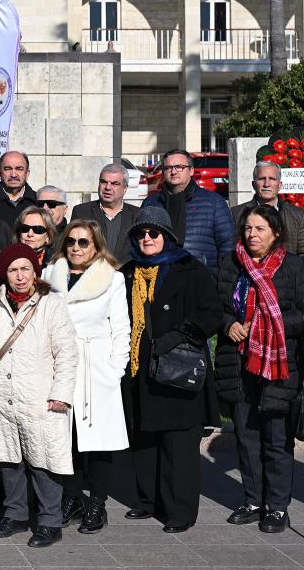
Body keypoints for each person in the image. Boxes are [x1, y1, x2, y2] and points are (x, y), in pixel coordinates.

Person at [215, 204, 304, 534]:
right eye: (247, 228)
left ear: (276, 233)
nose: (252, 235)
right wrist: (228, 322)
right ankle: (253, 500)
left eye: (260, 229)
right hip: (240, 362)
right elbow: (216, 306)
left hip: (279, 365)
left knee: (276, 439)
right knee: (246, 437)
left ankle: (277, 507)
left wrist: (268, 323)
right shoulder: (232, 264)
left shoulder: (293, 268)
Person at [0, 243, 77, 549]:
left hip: (40, 397)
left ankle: (50, 521)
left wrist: (61, 393)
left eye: (25, 268)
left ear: (34, 271)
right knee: (7, 458)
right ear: (5, 273)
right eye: (13, 270)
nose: (20, 276)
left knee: (44, 461)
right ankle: (15, 515)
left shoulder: (50, 303)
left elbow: (67, 352)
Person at [120, 207, 220, 533]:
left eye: (154, 233)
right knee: (145, 442)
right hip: (140, 372)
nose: (147, 239)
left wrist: (180, 335)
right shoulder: (127, 272)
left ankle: (180, 511)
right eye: (141, 234)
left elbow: (212, 313)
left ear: (167, 236)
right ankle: (148, 501)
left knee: (178, 447)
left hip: (178, 371)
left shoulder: (189, 269)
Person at [42, 220, 130, 534]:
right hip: (60, 366)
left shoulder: (112, 279)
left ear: (95, 247)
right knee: (68, 438)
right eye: (72, 242)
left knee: (98, 441)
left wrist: (114, 368)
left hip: (96, 366)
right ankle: (73, 496)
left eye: (84, 242)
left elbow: (122, 328)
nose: (77, 248)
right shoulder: (50, 274)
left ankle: (98, 504)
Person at [141, 149, 233, 271]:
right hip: (159, 281)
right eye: (168, 168)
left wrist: (223, 287)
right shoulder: (151, 203)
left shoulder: (214, 202)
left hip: (203, 281)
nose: (173, 171)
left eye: (179, 167)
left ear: (191, 170)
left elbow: (228, 248)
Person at [229, 162, 304, 271]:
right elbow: (230, 254)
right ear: (253, 184)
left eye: (272, 179)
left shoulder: (297, 215)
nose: (267, 184)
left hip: (287, 282)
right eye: (262, 179)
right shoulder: (236, 213)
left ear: (280, 185)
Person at [70, 164, 138, 260]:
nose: (108, 187)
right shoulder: (81, 212)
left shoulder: (137, 215)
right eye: (103, 182)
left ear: (125, 189)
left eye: (114, 183)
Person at [0, 151, 37, 230]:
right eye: (7, 169)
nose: (13, 175)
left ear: (27, 173)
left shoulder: (38, 201)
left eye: (19, 169)